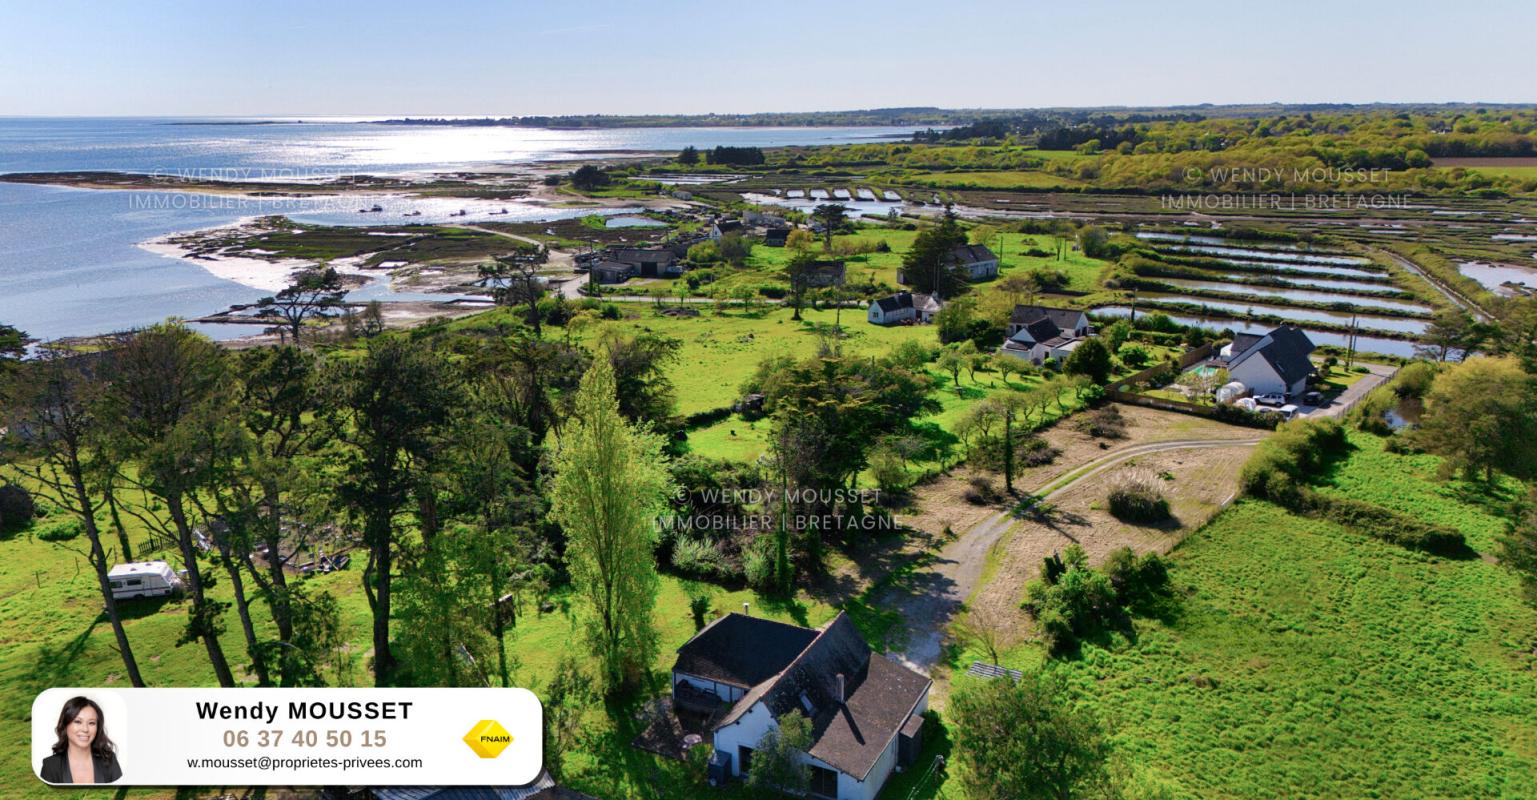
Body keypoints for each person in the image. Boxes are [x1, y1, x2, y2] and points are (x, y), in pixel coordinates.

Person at [39, 696, 122, 784]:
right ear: (65, 725)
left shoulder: (109, 760)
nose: (85, 729)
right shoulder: (50, 766)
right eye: (78, 722)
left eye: (91, 723)